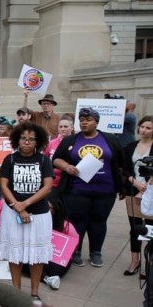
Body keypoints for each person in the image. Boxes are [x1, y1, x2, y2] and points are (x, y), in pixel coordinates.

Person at [52, 107, 124, 268]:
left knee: (99, 221)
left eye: (88, 120)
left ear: (96, 122)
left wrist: (122, 186)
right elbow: (56, 159)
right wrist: (67, 167)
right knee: (77, 221)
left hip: (105, 190)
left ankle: (96, 252)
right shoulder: (70, 140)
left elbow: (120, 163)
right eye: (82, 120)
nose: (84, 123)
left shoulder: (110, 139)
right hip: (77, 189)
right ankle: (76, 251)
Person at [0, 121, 53, 302]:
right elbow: (3, 185)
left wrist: (25, 203)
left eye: (31, 139)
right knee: (15, 254)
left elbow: (47, 187)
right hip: (13, 214)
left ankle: (34, 292)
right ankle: (17, 292)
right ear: (17, 140)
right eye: (23, 138)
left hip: (39, 214)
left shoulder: (44, 160)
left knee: (37, 257)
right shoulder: (9, 159)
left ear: (38, 142)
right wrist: (17, 207)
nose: (27, 142)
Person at [22, 199, 77, 291]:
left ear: (55, 210)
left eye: (48, 208)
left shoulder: (67, 226)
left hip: (57, 261)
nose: (44, 209)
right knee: (22, 262)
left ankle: (46, 277)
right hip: (40, 255)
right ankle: (47, 279)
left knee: (50, 270)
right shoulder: (38, 220)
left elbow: (75, 247)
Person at [122, 115, 153, 276]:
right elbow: (125, 168)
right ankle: (134, 261)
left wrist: (147, 186)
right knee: (134, 227)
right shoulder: (130, 146)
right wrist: (135, 182)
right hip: (133, 190)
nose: (144, 130)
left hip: (151, 192)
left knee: (149, 228)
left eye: (148, 128)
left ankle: (149, 262)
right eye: (142, 127)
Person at [43, 115, 74, 198]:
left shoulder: (77, 142)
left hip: (71, 181)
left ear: (72, 128)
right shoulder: (51, 143)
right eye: (60, 127)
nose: (62, 129)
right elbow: (45, 159)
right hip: (53, 182)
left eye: (65, 126)